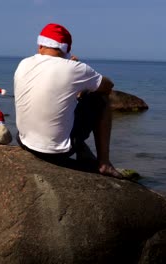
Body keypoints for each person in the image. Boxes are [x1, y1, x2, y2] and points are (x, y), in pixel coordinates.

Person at [14, 23, 123, 179]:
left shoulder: (23, 63)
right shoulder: (75, 68)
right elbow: (108, 86)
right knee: (101, 100)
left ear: (41, 45)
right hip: (54, 153)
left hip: (24, 142)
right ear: (66, 49)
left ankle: (83, 152)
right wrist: (77, 70)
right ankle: (104, 163)